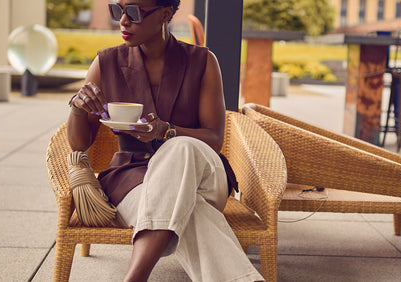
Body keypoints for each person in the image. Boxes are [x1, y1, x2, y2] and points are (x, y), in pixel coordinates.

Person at [66, 0, 265, 281]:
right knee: (192, 214)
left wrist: (166, 131)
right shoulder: (106, 62)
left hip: (201, 176)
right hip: (133, 181)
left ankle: (135, 276)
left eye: (133, 11)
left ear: (166, 14)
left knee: (179, 147)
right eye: (117, 10)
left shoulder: (202, 62)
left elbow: (214, 139)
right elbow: (78, 144)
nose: (123, 20)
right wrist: (77, 107)